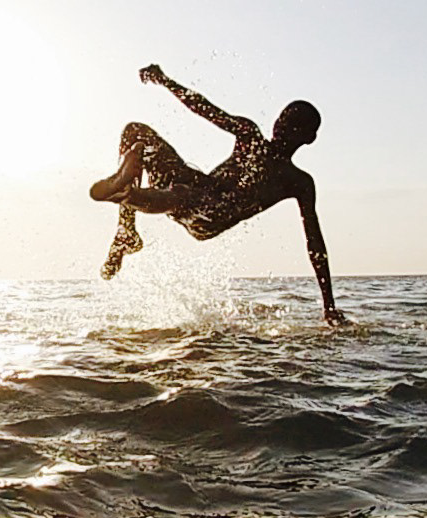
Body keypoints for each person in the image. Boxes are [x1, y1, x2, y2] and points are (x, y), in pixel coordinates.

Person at [90, 63, 345, 324]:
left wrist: (329, 306)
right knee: (136, 132)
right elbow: (206, 110)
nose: (282, 125)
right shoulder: (250, 135)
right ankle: (126, 232)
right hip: (199, 187)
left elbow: (315, 245)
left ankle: (127, 195)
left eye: (293, 124)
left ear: (308, 138)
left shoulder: (297, 181)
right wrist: (166, 81)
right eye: (282, 117)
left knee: (184, 193)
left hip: (214, 217)